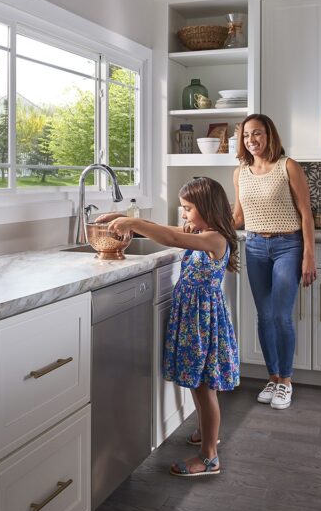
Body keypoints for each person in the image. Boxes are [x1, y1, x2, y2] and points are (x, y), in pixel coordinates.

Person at [97, 177, 239, 477]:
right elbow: (165, 229)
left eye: (188, 208)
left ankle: (210, 457)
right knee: (199, 384)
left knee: (204, 388)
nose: (184, 214)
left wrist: (131, 222)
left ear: (207, 208)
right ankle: (206, 434)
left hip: (201, 322)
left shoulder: (215, 239)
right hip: (194, 319)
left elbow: (171, 238)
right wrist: (125, 219)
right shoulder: (200, 231)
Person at [232, 114, 316, 410]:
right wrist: (204, 226)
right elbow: (238, 217)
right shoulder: (240, 173)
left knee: (281, 316)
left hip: (287, 246)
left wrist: (309, 255)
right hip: (254, 247)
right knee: (264, 316)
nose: (251, 140)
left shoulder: (287, 166)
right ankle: (272, 377)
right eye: (246, 135)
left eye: (257, 133)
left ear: (269, 135)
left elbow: (306, 213)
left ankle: (286, 382)